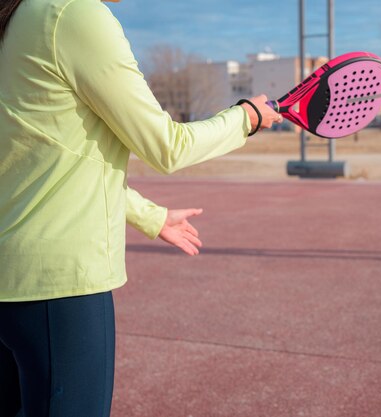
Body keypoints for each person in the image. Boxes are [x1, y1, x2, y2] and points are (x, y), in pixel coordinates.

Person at [0, 0, 282, 415]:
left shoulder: (16, 19)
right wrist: (246, 118)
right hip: (58, 284)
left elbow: (47, 159)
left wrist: (152, 216)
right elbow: (167, 147)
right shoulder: (74, 13)